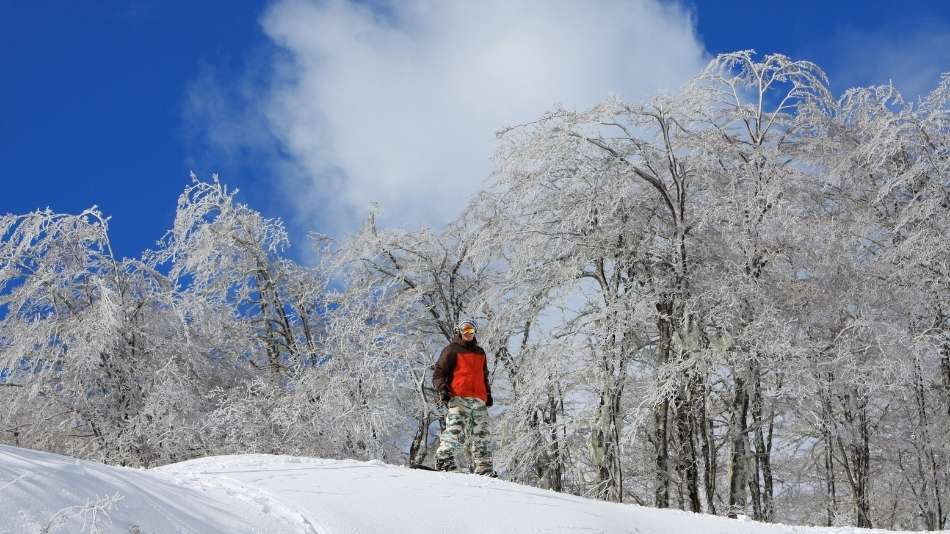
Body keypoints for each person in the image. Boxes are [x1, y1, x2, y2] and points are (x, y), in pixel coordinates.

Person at [432, 318, 495, 476]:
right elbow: (439, 372)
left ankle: (484, 468)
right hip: (459, 396)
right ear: (459, 331)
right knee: (455, 428)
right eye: (465, 330)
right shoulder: (452, 349)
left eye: (471, 330)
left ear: (475, 332)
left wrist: (487, 394)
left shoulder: (480, 352)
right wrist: (442, 389)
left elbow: (484, 376)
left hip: (479, 399)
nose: (468, 333)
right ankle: (444, 458)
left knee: (483, 434)